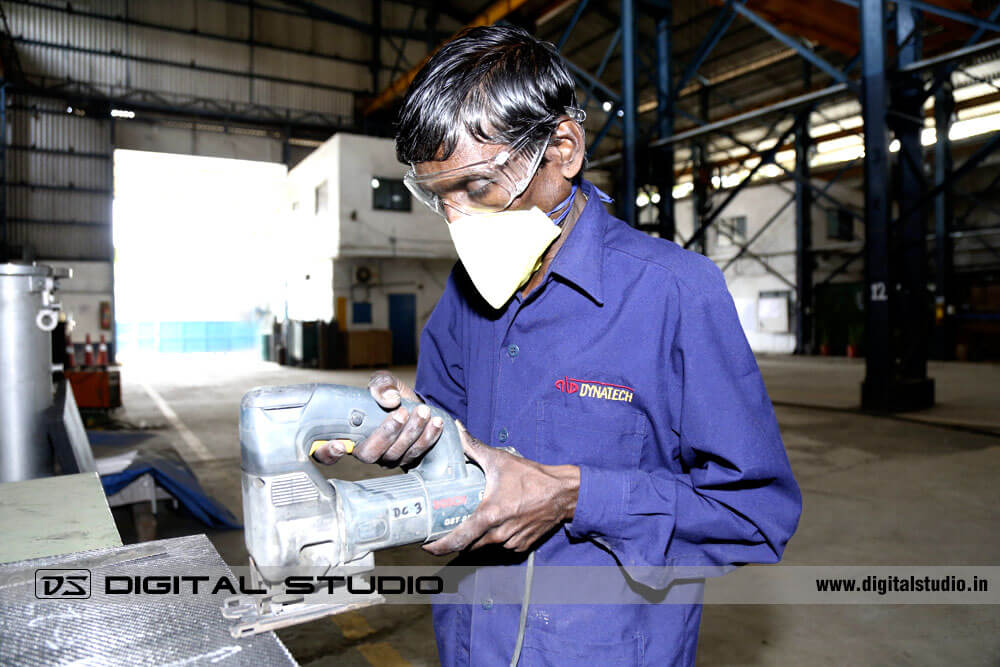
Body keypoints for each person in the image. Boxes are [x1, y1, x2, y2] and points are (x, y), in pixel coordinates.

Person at [313, 24, 802, 666]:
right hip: (471, 644)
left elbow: (755, 516)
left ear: (563, 148)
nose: (459, 222)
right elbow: (451, 452)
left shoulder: (675, 294)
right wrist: (405, 436)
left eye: (478, 187)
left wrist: (575, 495)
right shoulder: (463, 300)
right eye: (440, 199)